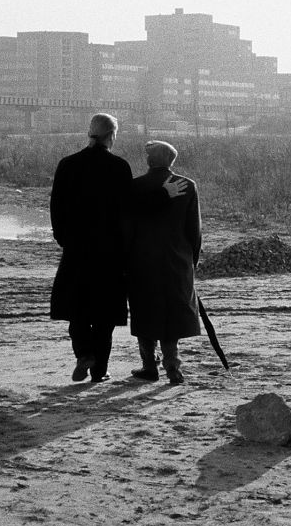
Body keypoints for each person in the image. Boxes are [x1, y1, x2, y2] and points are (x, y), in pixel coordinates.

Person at [49, 113, 132, 383]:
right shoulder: (119, 167)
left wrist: (64, 238)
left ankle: (84, 354)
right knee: (105, 314)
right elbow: (126, 212)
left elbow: (56, 207)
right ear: (112, 135)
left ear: (89, 133)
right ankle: (99, 370)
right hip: (110, 252)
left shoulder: (68, 165)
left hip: (77, 249)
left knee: (78, 308)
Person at [125, 140, 201, 385]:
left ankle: (149, 365)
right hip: (177, 258)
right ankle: (173, 367)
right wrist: (192, 260)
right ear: (172, 161)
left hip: (142, 259)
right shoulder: (187, 186)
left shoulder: (135, 186)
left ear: (149, 161)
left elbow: (127, 225)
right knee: (172, 311)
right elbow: (194, 230)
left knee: (145, 311)